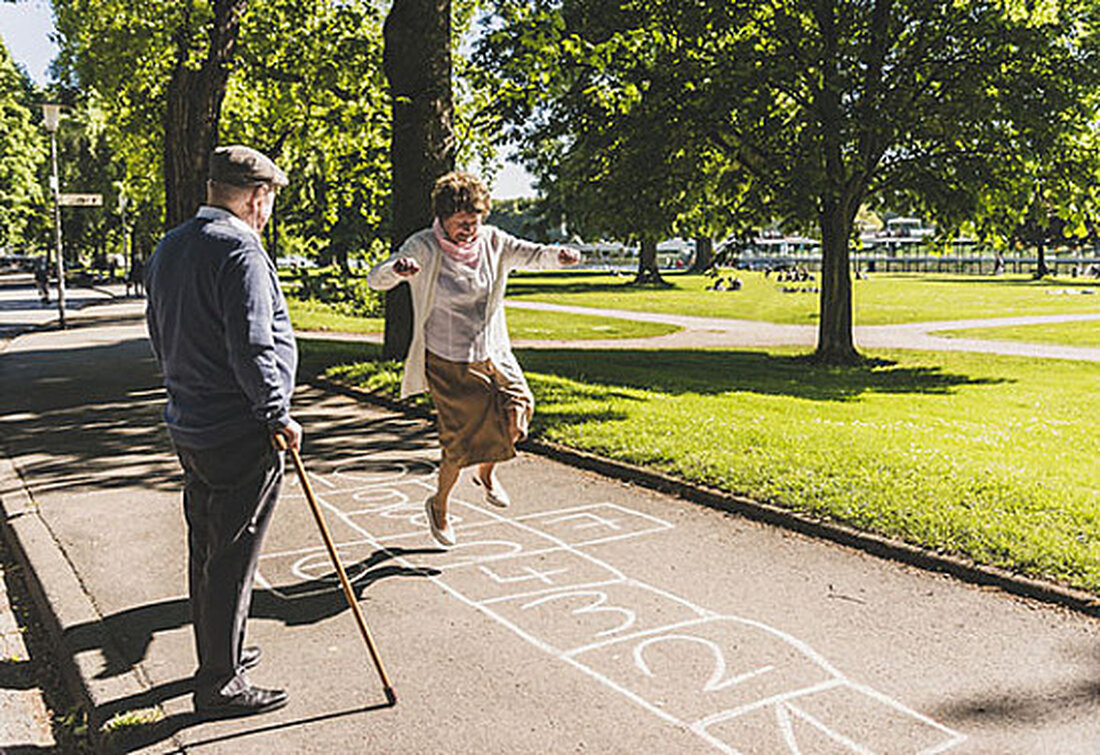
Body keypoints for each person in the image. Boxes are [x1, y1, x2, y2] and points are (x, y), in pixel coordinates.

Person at [144, 145, 298, 719]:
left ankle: (222, 653)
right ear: (257, 197)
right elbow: (254, 344)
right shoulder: (241, 250)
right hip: (238, 426)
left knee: (207, 546)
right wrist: (276, 412)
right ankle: (219, 682)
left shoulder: (171, 245)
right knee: (233, 555)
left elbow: (158, 331)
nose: (268, 212)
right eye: (269, 202)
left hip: (190, 421)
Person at [368, 171, 582, 547]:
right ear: (443, 217)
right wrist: (397, 271)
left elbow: (531, 254)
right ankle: (439, 505)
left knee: (519, 412)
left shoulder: (493, 241)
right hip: (448, 358)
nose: (470, 228)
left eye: (475, 220)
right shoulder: (423, 246)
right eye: (461, 222)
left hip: (492, 349)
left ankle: (486, 474)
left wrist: (558, 255)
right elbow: (377, 278)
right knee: (459, 442)